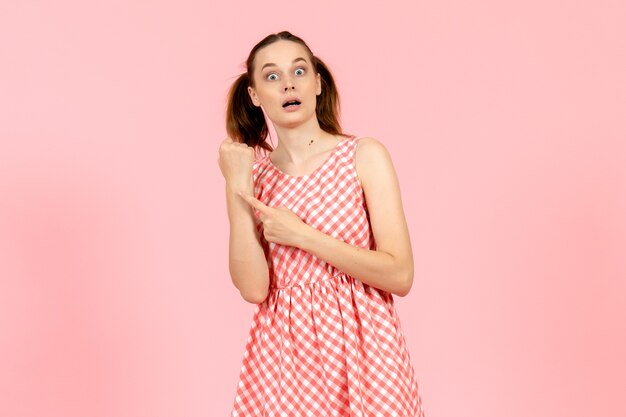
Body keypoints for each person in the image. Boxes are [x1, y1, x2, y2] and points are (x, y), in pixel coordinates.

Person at [218, 30, 426, 417]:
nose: (289, 83)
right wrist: (236, 186)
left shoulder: (363, 155)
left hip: (369, 354)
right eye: (272, 76)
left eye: (299, 70)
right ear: (254, 94)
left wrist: (303, 236)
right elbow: (253, 288)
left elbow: (400, 274)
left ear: (317, 82)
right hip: (285, 360)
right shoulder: (255, 177)